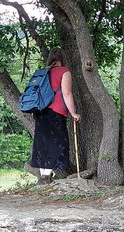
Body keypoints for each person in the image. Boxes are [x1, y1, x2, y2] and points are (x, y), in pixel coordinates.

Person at [30, 47, 81, 184]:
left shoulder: (42, 72)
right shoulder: (64, 71)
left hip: (40, 111)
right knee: (58, 142)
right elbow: (67, 93)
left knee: (43, 142)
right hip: (56, 111)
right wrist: (73, 113)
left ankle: (43, 177)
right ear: (62, 58)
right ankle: (46, 176)